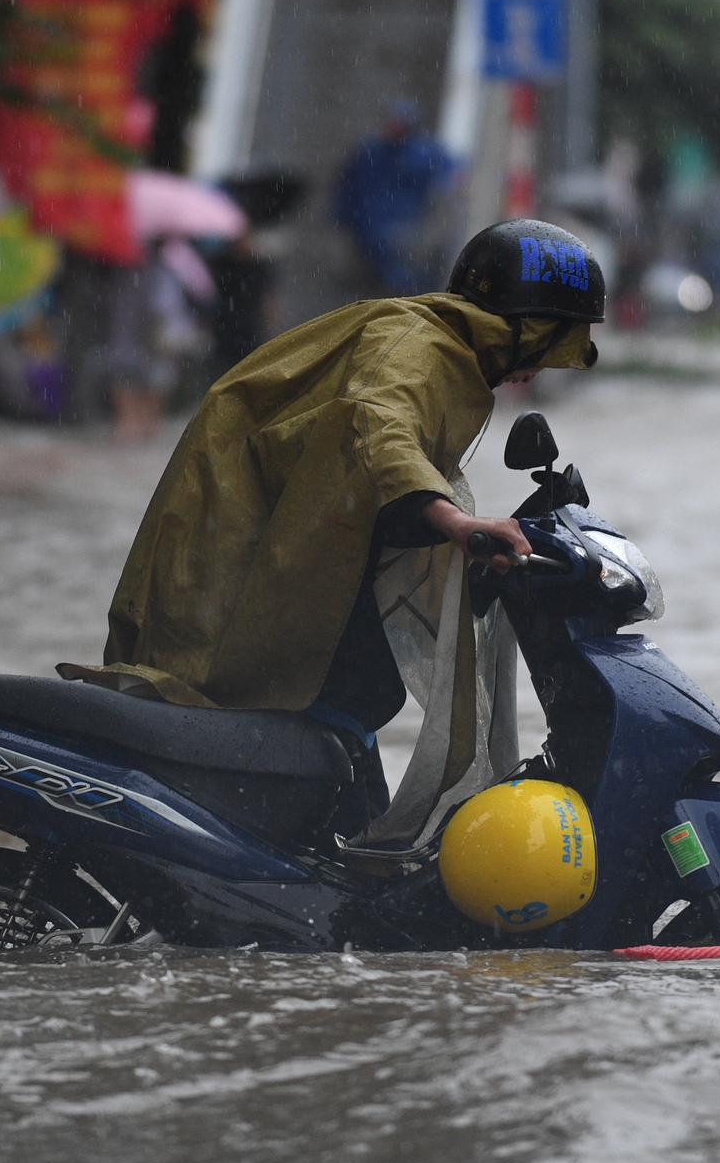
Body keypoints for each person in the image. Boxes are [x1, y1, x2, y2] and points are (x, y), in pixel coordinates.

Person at [64, 219, 603, 773]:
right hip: (239, 547)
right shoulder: (414, 347)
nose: (544, 365)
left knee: (346, 704)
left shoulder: (440, 351)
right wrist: (455, 522)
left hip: (291, 543)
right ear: (521, 327)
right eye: (551, 342)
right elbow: (375, 426)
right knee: (277, 691)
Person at [333, 100, 456, 296]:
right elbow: (347, 188)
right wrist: (343, 222)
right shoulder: (369, 152)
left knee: (403, 286)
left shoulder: (425, 153)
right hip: (368, 235)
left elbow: (451, 175)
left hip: (406, 236)